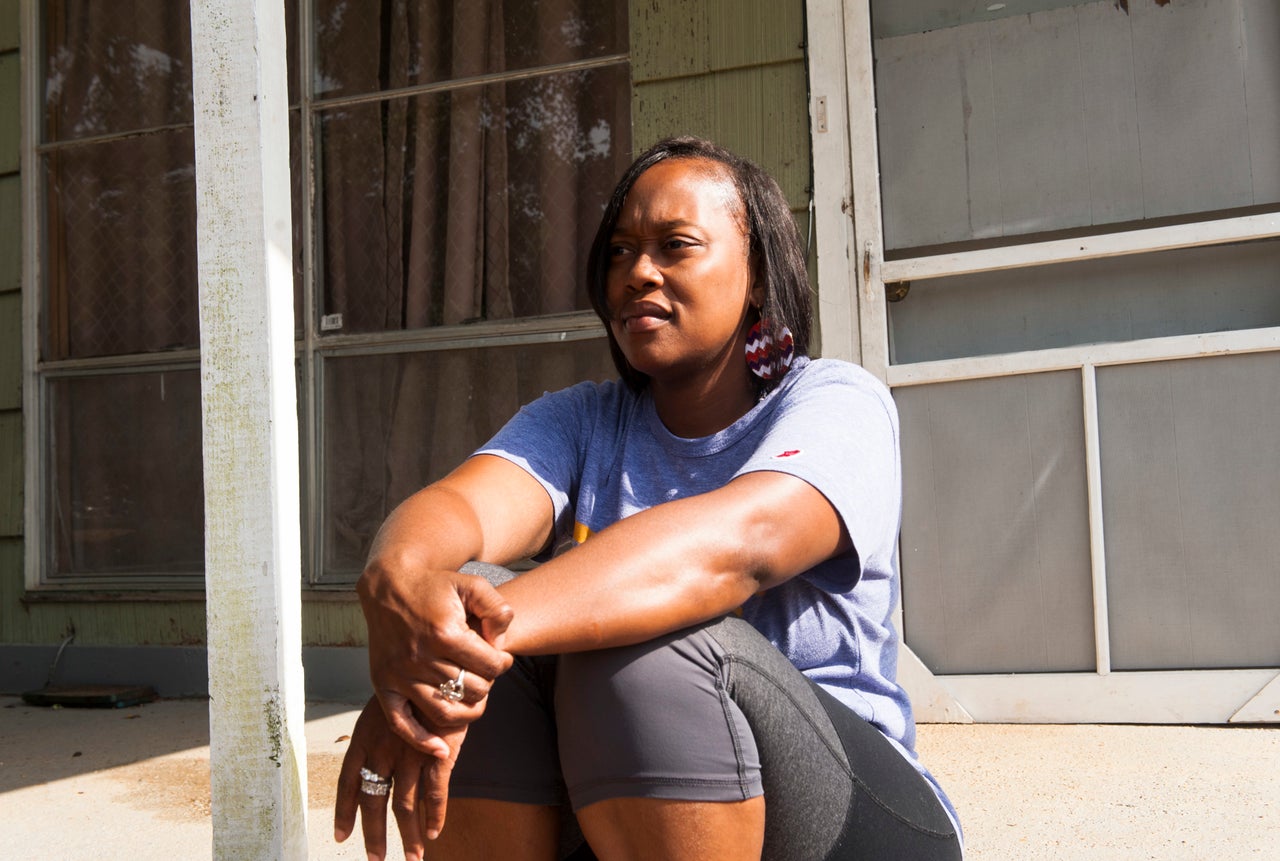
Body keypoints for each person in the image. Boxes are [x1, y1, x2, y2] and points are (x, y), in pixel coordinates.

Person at [333, 137, 963, 861]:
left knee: (625, 636)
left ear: (756, 275)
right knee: (491, 616)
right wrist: (396, 588)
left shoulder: (835, 404)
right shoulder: (581, 420)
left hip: (855, 822)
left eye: (675, 246)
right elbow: (458, 511)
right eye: (621, 251)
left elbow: (731, 551)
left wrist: (447, 654)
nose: (637, 272)